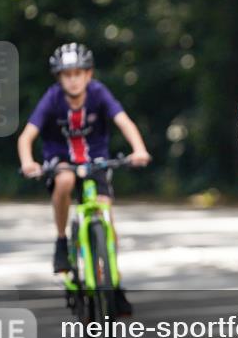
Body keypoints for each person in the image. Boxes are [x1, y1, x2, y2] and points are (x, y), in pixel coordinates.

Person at [17, 43, 151, 316]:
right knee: (65, 181)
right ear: (59, 78)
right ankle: (61, 240)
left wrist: (139, 149)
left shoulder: (99, 93)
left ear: (89, 74)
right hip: (62, 161)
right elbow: (26, 136)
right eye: (67, 75)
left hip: (96, 162)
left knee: (106, 215)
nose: (73, 80)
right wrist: (28, 162)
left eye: (78, 73)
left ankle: (113, 282)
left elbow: (124, 122)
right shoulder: (52, 98)